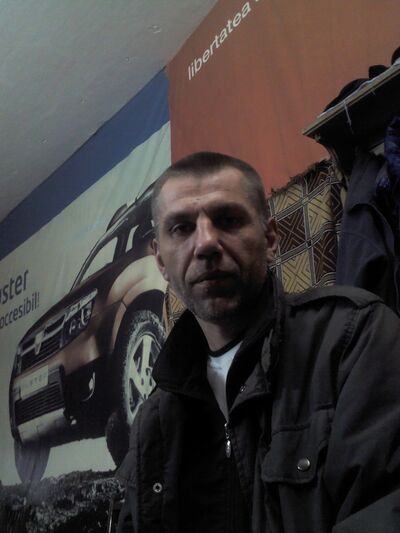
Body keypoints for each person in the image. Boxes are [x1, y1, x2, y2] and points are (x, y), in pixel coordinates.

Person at [116, 151, 400, 532]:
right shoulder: (153, 423)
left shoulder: (352, 339)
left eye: (227, 219)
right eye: (182, 228)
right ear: (161, 261)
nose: (206, 243)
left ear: (270, 238)